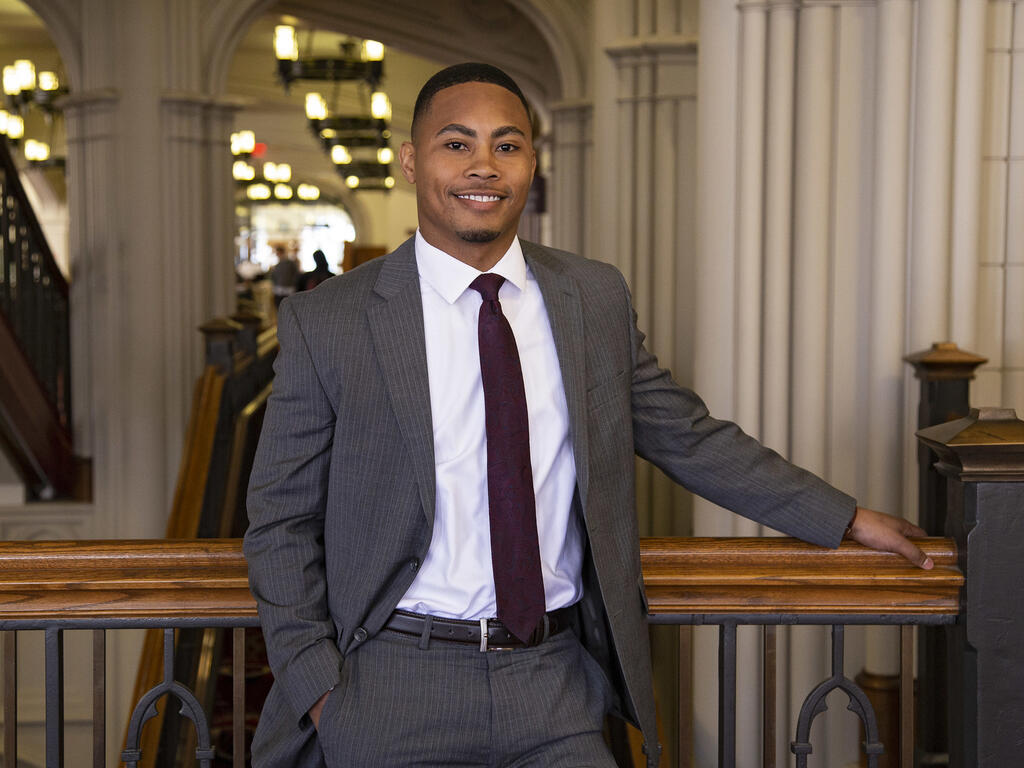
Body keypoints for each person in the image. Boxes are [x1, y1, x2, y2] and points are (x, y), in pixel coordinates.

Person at [244, 63, 931, 768]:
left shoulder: (590, 298)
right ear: (412, 161)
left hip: (553, 684)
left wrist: (842, 517)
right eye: (457, 144)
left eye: (506, 146)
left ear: (531, 165)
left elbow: (687, 437)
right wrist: (321, 690)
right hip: (391, 684)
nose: (483, 165)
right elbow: (279, 518)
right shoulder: (330, 319)